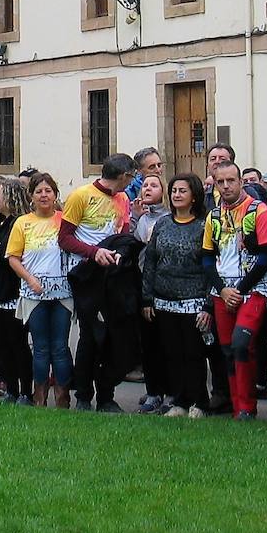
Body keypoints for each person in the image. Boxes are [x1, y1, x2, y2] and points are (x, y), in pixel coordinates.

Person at [60, 152, 138, 413]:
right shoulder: (80, 197)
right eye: (132, 176)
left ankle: (107, 395)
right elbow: (65, 238)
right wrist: (94, 253)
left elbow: (123, 234)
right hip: (86, 276)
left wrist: (121, 254)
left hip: (113, 277)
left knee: (114, 337)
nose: (132, 181)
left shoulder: (124, 199)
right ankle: (83, 394)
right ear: (125, 175)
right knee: (90, 337)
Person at [201, 160, 267, 420]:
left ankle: (247, 406)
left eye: (230, 181)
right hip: (222, 291)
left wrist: (240, 289)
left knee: (242, 343)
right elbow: (208, 258)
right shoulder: (213, 216)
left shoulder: (259, 211)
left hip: (253, 289)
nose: (225, 186)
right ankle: (237, 408)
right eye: (220, 182)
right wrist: (222, 290)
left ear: (241, 181)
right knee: (228, 349)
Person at [141, 173, 210, 418]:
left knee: (193, 354)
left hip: (194, 301)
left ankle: (199, 402)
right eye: (174, 191)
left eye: (182, 191)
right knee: (171, 354)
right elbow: (151, 261)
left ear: (194, 196)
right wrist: (147, 297)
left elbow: (211, 267)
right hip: (163, 300)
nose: (177, 195)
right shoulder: (162, 224)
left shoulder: (204, 225)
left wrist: (208, 305)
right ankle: (179, 401)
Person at [8, 172, 72, 407]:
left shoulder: (66, 220)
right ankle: (40, 396)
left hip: (62, 294)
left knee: (60, 347)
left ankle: (63, 396)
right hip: (34, 294)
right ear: (31, 196)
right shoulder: (22, 223)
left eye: (48, 191)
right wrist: (30, 279)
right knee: (41, 348)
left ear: (55, 194)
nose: (44, 195)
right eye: (39, 191)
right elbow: (13, 258)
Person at [0, 177, 32, 405]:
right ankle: (12, 389)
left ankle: (25, 391)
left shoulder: (19, 224)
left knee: (18, 345)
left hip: (13, 293)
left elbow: (2, 254)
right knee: (1, 345)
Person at [131, 171, 169, 411]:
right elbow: (135, 245)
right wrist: (135, 219)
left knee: (167, 343)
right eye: (145, 185)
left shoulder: (169, 217)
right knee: (149, 343)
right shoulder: (141, 218)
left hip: (164, 285)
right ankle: (153, 390)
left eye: (154, 185)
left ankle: (169, 390)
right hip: (142, 282)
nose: (148, 189)